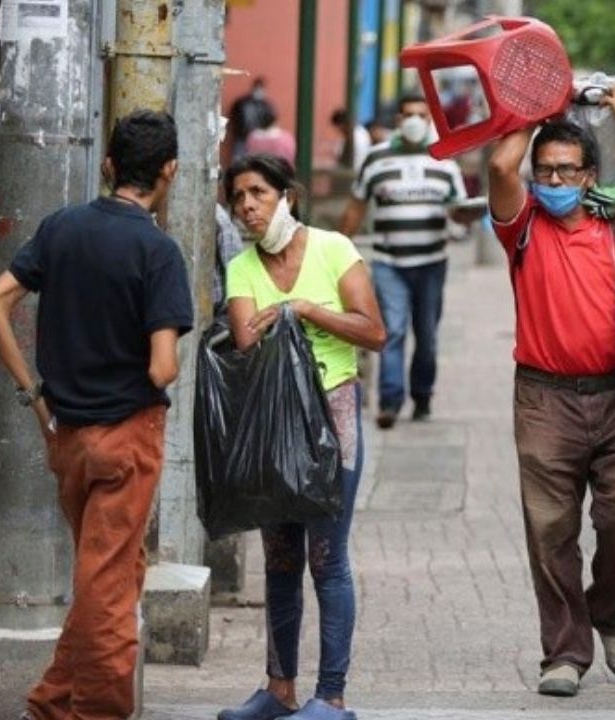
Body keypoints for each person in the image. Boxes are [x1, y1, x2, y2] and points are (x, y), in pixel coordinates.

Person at [0, 110, 192, 720]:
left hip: (66, 435)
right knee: (110, 587)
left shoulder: (63, 226)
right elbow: (162, 369)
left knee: (108, 573)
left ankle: (50, 703)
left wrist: (34, 395)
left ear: (109, 165)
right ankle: (95, 711)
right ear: (171, 170)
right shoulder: (158, 251)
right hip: (127, 436)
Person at [486, 84, 615, 698]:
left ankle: (610, 612)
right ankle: (565, 652)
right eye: (545, 170)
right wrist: (535, 111)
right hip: (544, 399)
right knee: (550, 530)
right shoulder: (521, 227)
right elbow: (500, 167)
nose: (554, 179)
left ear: (590, 175)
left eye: (567, 169)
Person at [217, 153, 386, 720]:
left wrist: (304, 309)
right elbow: (246, 340)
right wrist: (286, 317)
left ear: (287, 195)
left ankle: (331, 696)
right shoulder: (242, 267)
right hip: (274, 421)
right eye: (238, 198)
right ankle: (279, 689)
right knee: (281, 558)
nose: (247, 206)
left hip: (333, 414)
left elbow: (374, 331)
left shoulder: (335, 249)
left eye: (258, 193)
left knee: (327, 557)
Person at [339, 94, 474, 429]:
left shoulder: (445, 159)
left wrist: (467, 213)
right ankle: (390, 401)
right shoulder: (376, 158)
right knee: (393, 330)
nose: (414, 120)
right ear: (398, 120)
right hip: (389, 262)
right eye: (408, 114)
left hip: (432, 263)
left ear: (430, 120)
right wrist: (338, 249)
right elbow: (357, 205)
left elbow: (458, 208)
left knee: (426, 336)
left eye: (421, 115)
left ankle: (422, 396)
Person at [229, 77, 276, 160]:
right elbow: (234, 115)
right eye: (258, 88)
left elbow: (271, 118)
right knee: (239, 159)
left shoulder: (266, 105)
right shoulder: (242, 102)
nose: (259, 91)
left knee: (256, 160)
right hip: (242, 137)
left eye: (261, 88)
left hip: (259, 138)